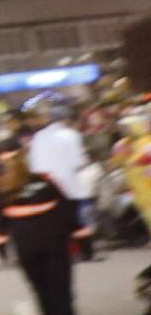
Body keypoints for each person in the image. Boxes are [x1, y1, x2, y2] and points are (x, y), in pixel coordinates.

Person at [0, 145, 93, 315]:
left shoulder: (1, 188)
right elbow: (69, 213)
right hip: (55, 245)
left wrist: (0, 248)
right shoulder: (46, 181)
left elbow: (0, 223)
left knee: (41, 290)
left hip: (27, 249)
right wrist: (84, 244)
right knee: (61, 291)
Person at [29, 95, 100, 260]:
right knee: (77, 221)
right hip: (69, 185)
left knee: (52, 223)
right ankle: (86, 252)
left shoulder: (38, 136)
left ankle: (61, 253)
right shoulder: (71, 135)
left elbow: (34, 164)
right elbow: (80, 162)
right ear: (66, 119)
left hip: (46, 185)